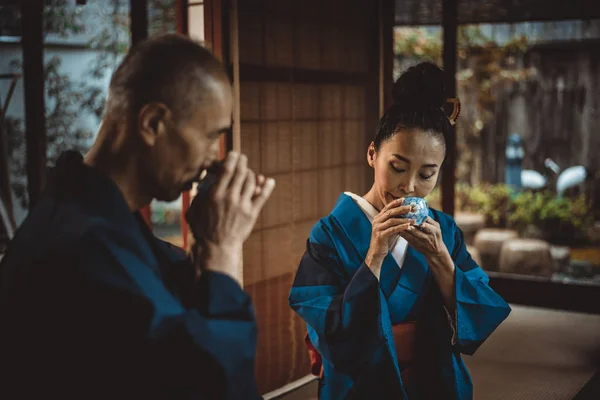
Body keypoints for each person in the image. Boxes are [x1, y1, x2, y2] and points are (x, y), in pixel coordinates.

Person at [0, 34, 274, 399]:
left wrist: (208, 245)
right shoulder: (87, 246)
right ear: (152, 123)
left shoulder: (85, 211)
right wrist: (223, 246)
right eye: (211, 137)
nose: (214, 156)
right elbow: (214, 384)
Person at [289, 62, 511, 400]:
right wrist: (374, 256)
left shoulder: (444, 230)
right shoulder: (330, 234)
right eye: (397, 167)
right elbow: (325, 324)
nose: (408, 186)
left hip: (432, 377)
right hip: (362, 385)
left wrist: (440, 258)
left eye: (426, 174)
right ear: (372, 154)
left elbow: (481, 310)